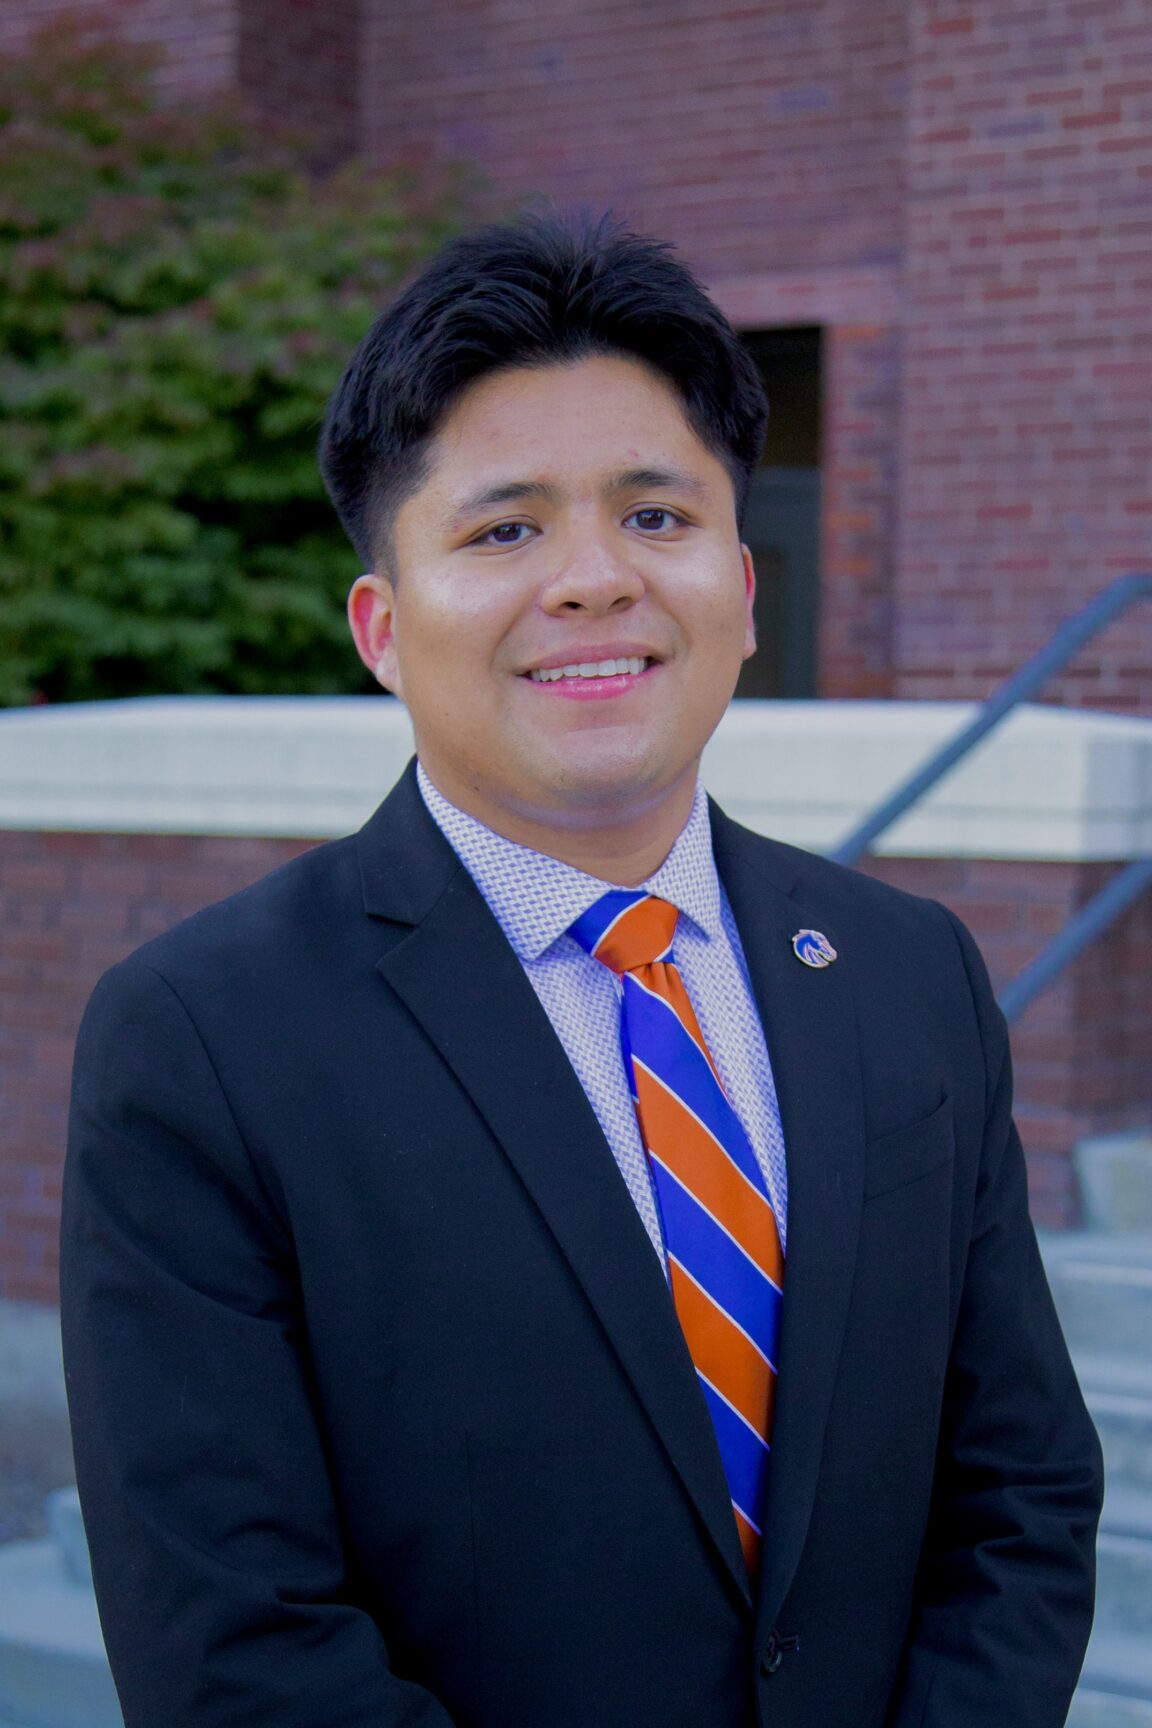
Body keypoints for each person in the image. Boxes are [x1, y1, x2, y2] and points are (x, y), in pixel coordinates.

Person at [61, 213, 1103, 1728]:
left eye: (657, 517)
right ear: (380, 624)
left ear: (743, 590)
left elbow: (1020, 1494)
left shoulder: (904, 969)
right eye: (503, 531)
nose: (596, 580)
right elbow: (236, 1645)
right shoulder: (205, 1037)